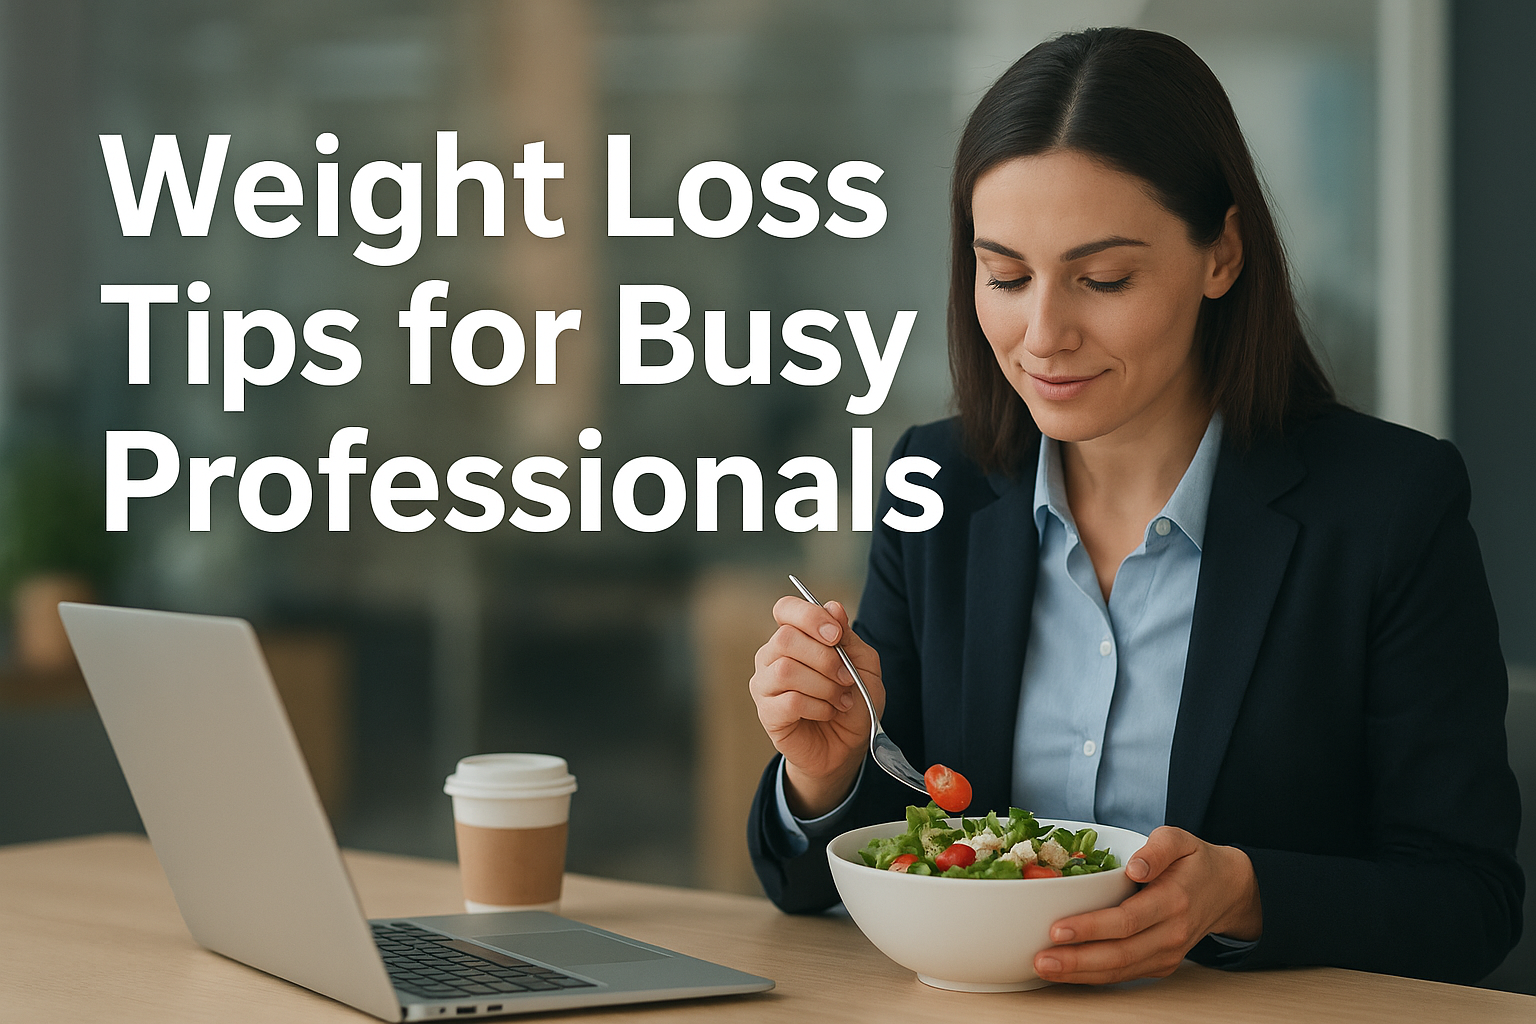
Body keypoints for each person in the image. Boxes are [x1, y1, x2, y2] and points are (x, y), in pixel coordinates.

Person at [745, 27, 1523, 986]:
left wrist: (1241, 892)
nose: (1043, 335)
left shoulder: (1389, 506)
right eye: (1006, 275)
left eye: (1102, 280)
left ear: (1222, 255)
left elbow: (1469, 903)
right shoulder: (936, 485)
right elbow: (826, 876)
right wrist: (824, 776)